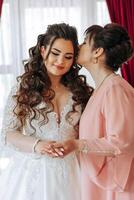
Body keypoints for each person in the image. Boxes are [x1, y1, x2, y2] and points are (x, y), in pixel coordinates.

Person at [0, 23, 93, 200]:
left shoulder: (80, 91)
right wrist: (38, 145)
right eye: (55, 53)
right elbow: (8, 133)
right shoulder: (23, 89)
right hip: (33, 174)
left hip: (74, 173)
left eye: (68, 56)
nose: (60, 62)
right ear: (43, 51)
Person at [54, 23, 134, 200]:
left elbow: (121, 142)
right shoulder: (102, 88)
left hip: (115, 186)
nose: (78, 47)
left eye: (84, 42)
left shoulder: (115, 88)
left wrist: (76, 144)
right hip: (99, 180)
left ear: (97, 52)